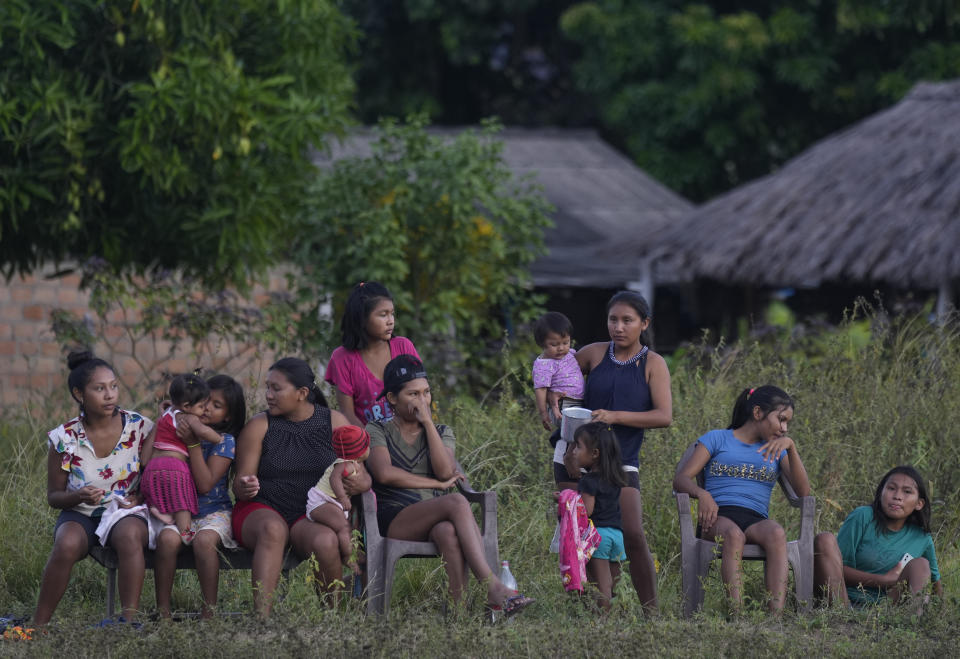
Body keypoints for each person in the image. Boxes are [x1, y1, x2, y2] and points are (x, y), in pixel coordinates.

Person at [366, 355, 534, 614]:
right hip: (395, 518)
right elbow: (384, 474)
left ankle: (458, 614)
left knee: (447, 531)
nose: (422, 401)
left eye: (426, 393)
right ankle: (492, 586)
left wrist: (428, 423)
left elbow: (446, 470)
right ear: (391, 399)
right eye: (412, 394)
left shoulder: (442, 431)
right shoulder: (377, 429)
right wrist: (434, 482)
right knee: (456, 500)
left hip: (434, 515)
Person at [554, 290, 671, 612]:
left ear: (644, 323)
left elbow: (664, 416)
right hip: (578, 458)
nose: (618, 327)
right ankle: (594, 609)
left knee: (632, 534)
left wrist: (614, 416)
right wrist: (551, 398)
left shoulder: (653, 364)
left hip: (622, 463)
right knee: (580, 534)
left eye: (627, 321)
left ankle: (651, 611)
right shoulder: (593, 353)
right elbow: (555, 373)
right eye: (613, 319)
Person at [233, 357, 372, 616]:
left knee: (326, 540)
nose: (268, 395)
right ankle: (261, 621)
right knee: (273, 529)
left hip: (308, 513)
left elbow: (361, 473)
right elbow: (240, 485)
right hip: (260, 508)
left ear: (302, 393)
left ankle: (333, 618)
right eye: (267, 388)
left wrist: (358, 482)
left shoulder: (334, 422)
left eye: (276, 388)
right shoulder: (260, 425)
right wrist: (245, 485)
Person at [34, 351, 154, 626]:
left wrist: (140, 496)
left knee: (130, 535)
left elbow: (153, 471)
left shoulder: (138, 427)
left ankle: (128, 622)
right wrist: (78, 495)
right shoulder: (64, 438)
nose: (110, 395)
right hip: (81, 512)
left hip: (123, 511)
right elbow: (54, 497)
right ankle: (37, 627)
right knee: (66, 543)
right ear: (79, 394)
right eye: (99, 389)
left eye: (113, 386)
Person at [673, 385, 810, 613]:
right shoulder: (718, 439)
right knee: (733, 535)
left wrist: (791, 448)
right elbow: (682, 479)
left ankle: (773, 620)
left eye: (788, 423)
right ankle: (737, 617)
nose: (784, 428)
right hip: (717, 517)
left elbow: (804, 492)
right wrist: (702, 494)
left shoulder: (776, 450)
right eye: (781, 420)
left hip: (755, 520)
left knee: (776, 533)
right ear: (757, 413)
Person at [153, 374, 246, 619]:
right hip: (179, 511)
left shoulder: (225, 442)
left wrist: (193, 445)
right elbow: (153, 455)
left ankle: (209, 611)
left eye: (216, 406)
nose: (206, 409)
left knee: (204, 542)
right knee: (166, 542)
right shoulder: (180, 428)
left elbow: (205, 485)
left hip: (213, 513)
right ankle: (163, 610)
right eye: (204, 402)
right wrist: (165, 418)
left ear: (227, 416)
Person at [813, 466, 942, 609]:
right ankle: (844, 619)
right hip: (843, 602)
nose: (897, 496)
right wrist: (883, 580)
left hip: (885, 611)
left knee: (921, 565)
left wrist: (939, 617)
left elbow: (935, 583)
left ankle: (915, 625)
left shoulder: (922, 537)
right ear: (881, 493)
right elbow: (834, 569)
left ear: (919, 504)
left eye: (907, 491)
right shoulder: (862, 517)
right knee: (824, 539)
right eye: (891, 488)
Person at [324, 281, 421, 426]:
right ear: (362, 319)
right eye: (383, 315)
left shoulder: (403, 347)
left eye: (392, 314)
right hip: (368, 441)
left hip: (409, 436)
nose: (391, 321)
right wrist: (372, 444)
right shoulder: (342, 358)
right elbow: (347, 415)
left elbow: (421, 397)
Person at [140, 373, 223, 540]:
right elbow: (203, 431)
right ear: (186, 406)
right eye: (201, 406)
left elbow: (143, 460)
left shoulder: (165, 415)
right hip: (175, 467)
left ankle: (158, 509)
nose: (203, 410)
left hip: (152, 468)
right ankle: (186, 533)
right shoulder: (188, 417)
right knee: (181, 502)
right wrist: (218, 438)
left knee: (162, 490)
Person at [568, 422, 627, 611]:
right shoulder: (615, 478)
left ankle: (603, 623)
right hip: (617, 535)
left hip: (598, 537)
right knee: (616, 583)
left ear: (594, 453)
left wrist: (569, 502)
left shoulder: (588, 481)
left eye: (578, 446)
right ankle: (620, 615)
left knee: (602, 585)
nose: (574, 451)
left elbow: (587, 510)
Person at [305, 424, 371, 574]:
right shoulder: (344, 465)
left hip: (331, 503)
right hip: (321, 502)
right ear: (360, 452)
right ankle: (348, 555)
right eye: (367, 446)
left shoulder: (355, 463)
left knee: (348, 526)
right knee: (343, 527)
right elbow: (334, 479)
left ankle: (351, 550)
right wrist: (343, 498)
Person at [532, 311, 585, 431]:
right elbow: (540, 389)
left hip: (578, 402)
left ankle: (564, 446)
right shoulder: (544, 365)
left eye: (566, 342)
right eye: (554, 344)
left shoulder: (570, 353)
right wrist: (543, 413)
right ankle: (564, 448)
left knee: (578, 435)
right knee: (579, 433)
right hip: (562, 405)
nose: (561, 348)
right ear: (542, 343)